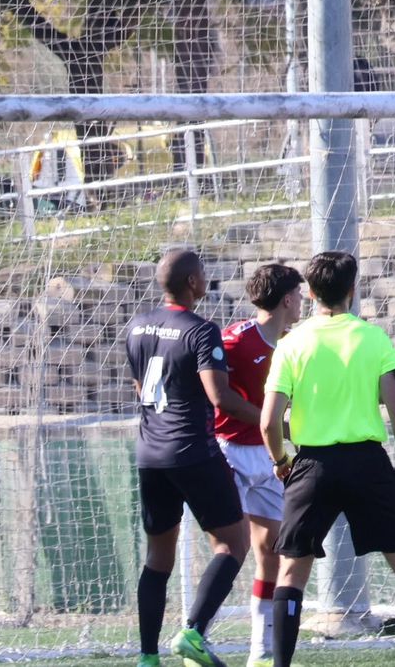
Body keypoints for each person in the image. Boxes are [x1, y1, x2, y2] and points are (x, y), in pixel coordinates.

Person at [260, 251, 395, 667]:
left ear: (310, 293)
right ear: (352, 289)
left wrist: (280, 460)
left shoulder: (291, 343)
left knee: (291, 575)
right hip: (368, 464)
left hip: (311, 466)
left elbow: (268, 421)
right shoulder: (373, 338)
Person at [126, 249, 256, 667]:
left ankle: (148, 657)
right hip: (193, 452)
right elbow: (221, 398)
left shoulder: (136, 325)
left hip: (150, 454)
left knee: (158, 558)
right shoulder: (201, 330)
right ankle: (193, 633)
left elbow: (140, 388)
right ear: (192, 283)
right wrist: (276, 422)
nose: (206, 280)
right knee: (233, 543)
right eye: (202, 274)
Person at [215, 262, 305, 667]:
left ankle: (260, 650)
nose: (301, 301)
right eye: (298, 295)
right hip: (228, 451)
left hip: (270, 455)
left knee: (271, 549)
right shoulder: (234, 340)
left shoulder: (295, 344)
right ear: (286, 300)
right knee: (229, 549)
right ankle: (197, 631)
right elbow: (213, 389)